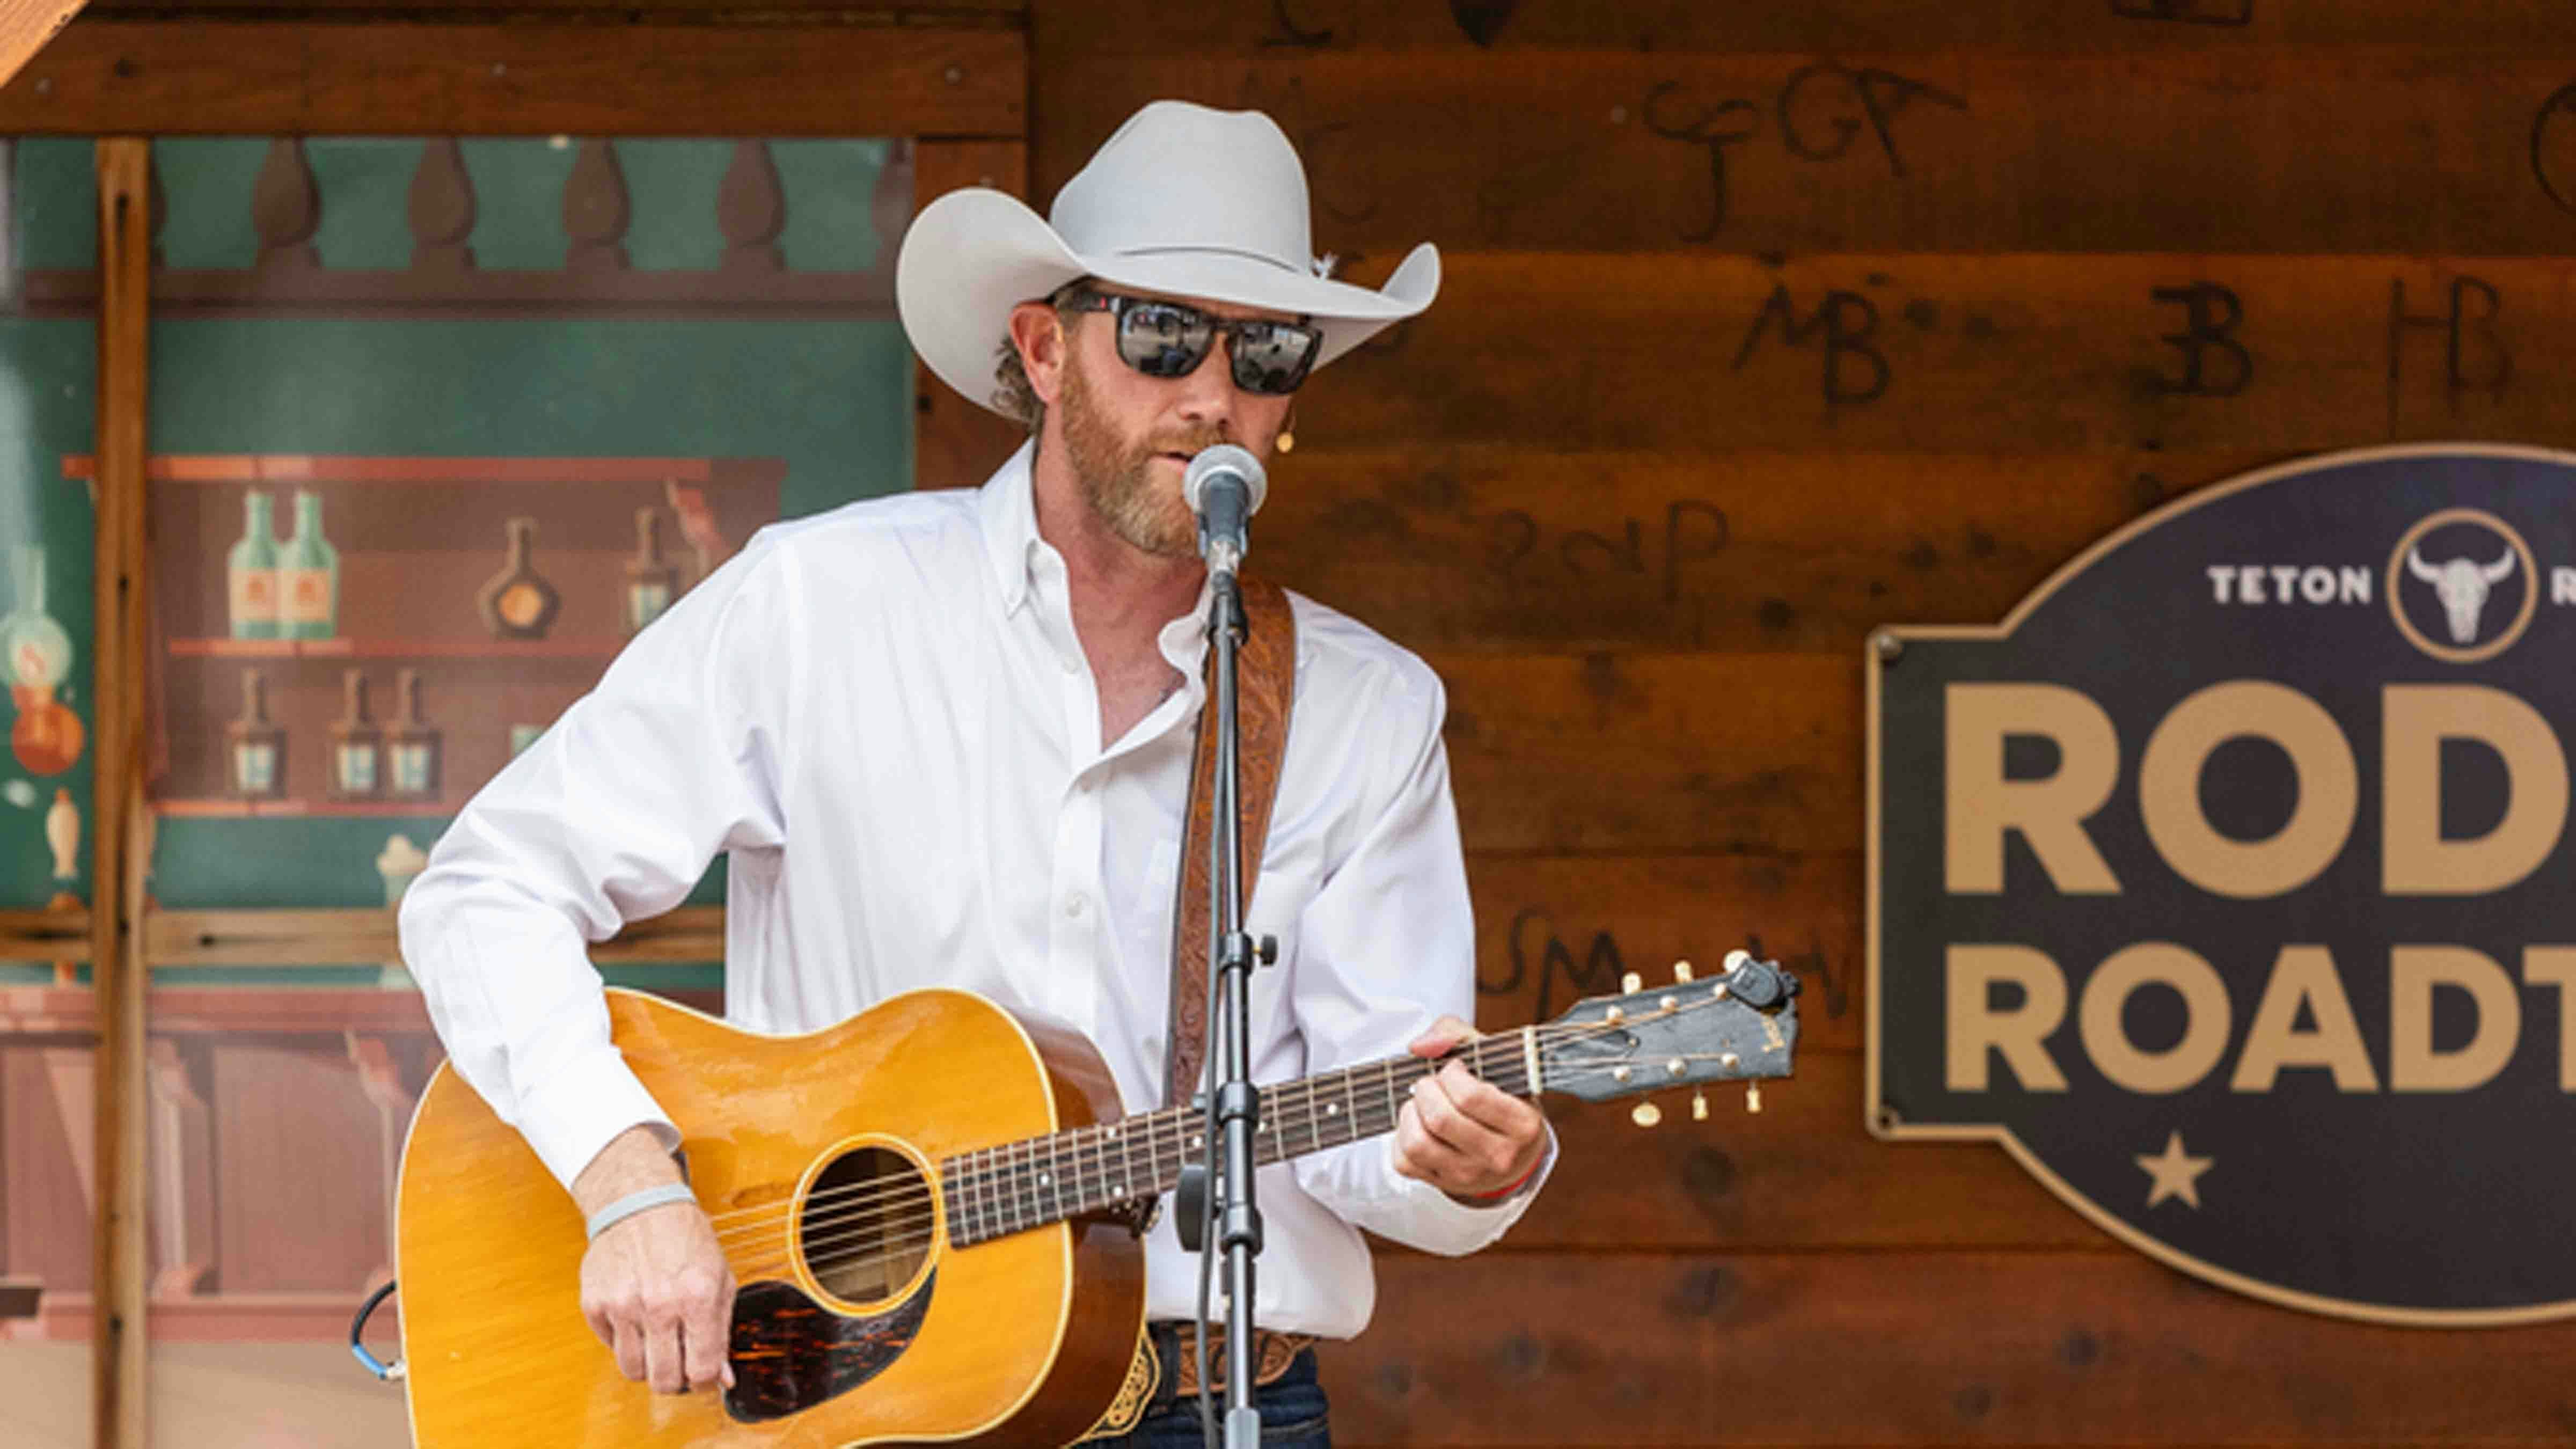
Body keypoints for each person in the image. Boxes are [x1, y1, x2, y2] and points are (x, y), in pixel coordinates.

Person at [398, 99, 1551, 1447]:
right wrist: (625, 1182)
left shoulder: (1365, 711)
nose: (1213, 394)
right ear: (1044, 349)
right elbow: (485, 890)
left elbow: (1369, 1123)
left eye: (1269, 350)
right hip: (852, 1400)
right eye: (1164, 333)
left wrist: (1470, 1167)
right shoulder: (816, 607)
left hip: (1221, 1400)